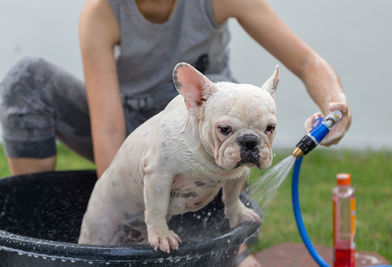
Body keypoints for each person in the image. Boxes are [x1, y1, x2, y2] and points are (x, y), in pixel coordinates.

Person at [0, 0, 352, 266]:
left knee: (230, 142)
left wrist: (335, 106)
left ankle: (231, 243)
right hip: (134, 129)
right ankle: (37, 231)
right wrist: (132, 216)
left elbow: (306, 63)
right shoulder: (102, 11)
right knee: (27, 79)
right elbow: (108, 127)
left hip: (212, 129)